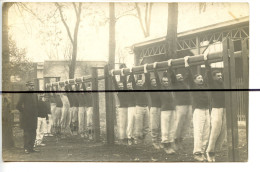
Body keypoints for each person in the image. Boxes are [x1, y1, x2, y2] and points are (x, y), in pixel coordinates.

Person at [184, 56, 210, 162]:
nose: (201, 79)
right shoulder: (193, 86)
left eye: (201, 77)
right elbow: (189, 77)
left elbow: (208, 74)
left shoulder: (205, 85)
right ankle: (197, 152)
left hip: (206, 111)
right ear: (194, 81)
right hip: (198, 111)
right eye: (198, 78)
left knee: (206, 132)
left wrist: (206, 61)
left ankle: (202, 152)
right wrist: (186, 63)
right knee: (198, 132)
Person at [204, 52, 226, 162]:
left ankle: (214, 151)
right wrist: (206, 61)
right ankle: (209, 151)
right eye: (218, 76)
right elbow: (208, 73)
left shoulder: (222, 83)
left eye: (220, 75)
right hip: (216, 109)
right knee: (215, 130)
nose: (220, 77)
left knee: (223, 131)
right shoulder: (212, 83)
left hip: (224, 109)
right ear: (214, 77)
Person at [153, 63, 176, 155]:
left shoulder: (170, 88)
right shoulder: (160, 88)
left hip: (172, 110)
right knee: (165, 128)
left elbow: (172, 78)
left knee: (172, 128)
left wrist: (169, 67)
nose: (166, 83)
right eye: (164, 82)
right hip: (165, 110)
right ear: (162, 83)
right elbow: (158, 80)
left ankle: (169, 144)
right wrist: (155, 69)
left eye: (167, 81)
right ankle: (166, 145)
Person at [169, 63, 192, 151]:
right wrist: (171, 65)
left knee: (187, 123)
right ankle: (174, 140)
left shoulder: (185, 82)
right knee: (178, 123)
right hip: (180, 105)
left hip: (189, 105)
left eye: (181, 76)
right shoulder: (175, 84)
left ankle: (180, 139)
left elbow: (189, 75)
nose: (180, 77)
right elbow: (171, 75)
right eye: (178, 76)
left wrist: (186, 64)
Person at [16, 81, 39, 154]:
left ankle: (31, 148)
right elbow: (18, 105)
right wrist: (24, 112)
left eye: (33, 86)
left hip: (33, 117)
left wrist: (36, 113)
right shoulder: (24, 94)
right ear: (27, 86)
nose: (32, 87)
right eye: (30, 86)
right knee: (27, 133)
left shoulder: (35, 94)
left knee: (33, 132)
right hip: (26, 118)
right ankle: (26, 148)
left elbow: (37, 105)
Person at [129, 68, 150, 145]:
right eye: (139, 82)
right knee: (138, 125)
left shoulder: (144, 87)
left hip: (146, 107)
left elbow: (147, 80)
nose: (140, 83)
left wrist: (145, 70)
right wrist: (131, 72)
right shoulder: (135, 88)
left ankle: (142, 138)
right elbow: (133, 81)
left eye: (141, 82)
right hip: (139, 108)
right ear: (137, 83)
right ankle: (136, 139)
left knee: (147, 125)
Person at [144, 63, 162, 150]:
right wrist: (146, 70)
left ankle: (160, 140)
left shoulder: (159, 87)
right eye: (153, 81)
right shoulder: (150, 89)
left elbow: (158, 80)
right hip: (154, 108)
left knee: (161, 126)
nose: (155, 82)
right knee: (155, 126)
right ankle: (155, 141)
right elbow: (147, 81)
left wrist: (155, 70)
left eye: (155, 81)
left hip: (161, 108)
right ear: (151, 83)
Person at [111, 70, 128, 145]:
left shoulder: (125, 90)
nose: (121, 86)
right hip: (121, 108)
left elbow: (124, 81)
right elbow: (115, 83)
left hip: (127, 108)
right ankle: (122, 138)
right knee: (122, 123)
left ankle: (127, 137)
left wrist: (122, 73)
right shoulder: (118, 91)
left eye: (122, 85)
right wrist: (113, 76)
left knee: (127, 123)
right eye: (120, 86)